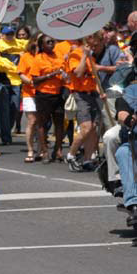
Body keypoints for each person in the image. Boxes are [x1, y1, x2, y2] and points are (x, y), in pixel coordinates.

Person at [65, 33, 104, 172]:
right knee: (86, 127)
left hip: (92, 94)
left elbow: (94, 79)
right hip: (80, 95)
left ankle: (88, 159)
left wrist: (101, 92)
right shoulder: (75, 54)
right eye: (96, 41)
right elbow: (78, 73)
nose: (97, 44)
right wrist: (84, 56)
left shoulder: (92, 56)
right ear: (88, 39)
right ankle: (71, 155)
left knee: (94, 128)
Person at [31, 34, 67, 163]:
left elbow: (65, 71)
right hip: (44, 95)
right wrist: (51, 75)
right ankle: (44, 151)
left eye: (52, 41)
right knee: (42, 124)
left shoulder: (59, 56)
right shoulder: (38, 59)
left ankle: (58, 150)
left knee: (59, 123)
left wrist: (64, 76)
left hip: (58, 93)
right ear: (42, 45)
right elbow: (35, 80)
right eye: (48, 42)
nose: (51, 44)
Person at [112, 84, 137, 226]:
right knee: (123, 152)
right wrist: (131, 119)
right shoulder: (131, 91)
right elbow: (122, 115)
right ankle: (134, 205)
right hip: (135, 141)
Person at [17, 36, 39, 163]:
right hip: (29, 93)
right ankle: (30, 149)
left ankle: (42, 149)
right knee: (32, 121)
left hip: (44, 93)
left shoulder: (46, 55)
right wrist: (31, 82)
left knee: (41, 122)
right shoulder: (26, 56)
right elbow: (21, 73)